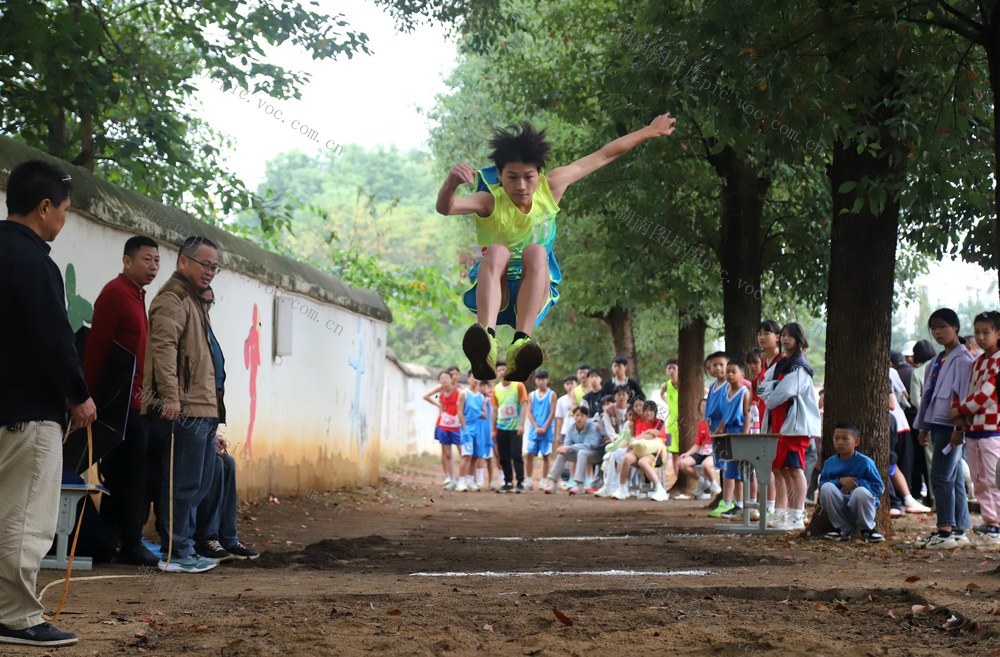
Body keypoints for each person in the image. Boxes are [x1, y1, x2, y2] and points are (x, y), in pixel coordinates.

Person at [437, 114, 677, 382]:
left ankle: (521, 343)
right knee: (497, 251)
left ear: (539, 173)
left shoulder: (551, 187)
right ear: (500, 175)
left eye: (528, 177)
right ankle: (486, 343)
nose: (521, 186)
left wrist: (649, 131)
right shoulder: (489, 200)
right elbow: (447, 208)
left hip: (534, 291)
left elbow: (603, 156)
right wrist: (450, 185)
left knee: (536, 251)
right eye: (512, 177)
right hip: (496, 291)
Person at [0, 160, 97, 647]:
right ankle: (16, 617)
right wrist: (78, 395)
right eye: (64, 210)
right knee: (23, 519)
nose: (64, 219)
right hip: (27, 413)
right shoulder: (35, 262)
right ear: (43, 208)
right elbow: (53, 339)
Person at [82, 236, 161, 568]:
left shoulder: (138, 296)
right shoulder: (115, 293)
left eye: (157, 260)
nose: (154, 266)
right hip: (118, 405)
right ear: (127, 261)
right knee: (129, 476)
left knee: (133, 474)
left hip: (138, 403)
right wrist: (87, 396)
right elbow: (96, 348)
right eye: (147, 259)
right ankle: (129, 542)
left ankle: (116, 540)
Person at [144, 236, 222, 573]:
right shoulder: (173, 298)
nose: (210, 272)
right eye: (205, 265)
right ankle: (175, 551)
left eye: (215, 267)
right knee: (182, 482)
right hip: (185, 408)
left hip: (204, 408)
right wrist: (171, 397)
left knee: (199, 484)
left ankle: (186, 546)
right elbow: (163, 348)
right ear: (183, 262)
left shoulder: (196, 300)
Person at [915, 308, 975, 549]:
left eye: (943, 326)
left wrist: (958, 428)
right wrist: (922, 427)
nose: (938, 332)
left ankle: (945, 531)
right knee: (954, 477)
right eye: (934, 328)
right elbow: (927, 396)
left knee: (941, 475)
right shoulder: (938, 360)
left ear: (955, 328)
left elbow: (962, 396)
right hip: (937, 424)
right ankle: (958, 529)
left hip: (950, 426)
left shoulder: (962, 359)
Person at [758, 323, 822, 531]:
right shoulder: (781, 364)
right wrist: (772, 390)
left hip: (793, 425)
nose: (785, 339)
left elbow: (784, 392)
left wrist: (772, 391)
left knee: (794, 469)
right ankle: (782, 512)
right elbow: (762, 386)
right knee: (779, 469)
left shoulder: (799, 366)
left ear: (799, 339)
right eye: (783, 335)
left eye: (790, 336)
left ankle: (797, 514)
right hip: (778, 424)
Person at [950, 310, 1000, 545]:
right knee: (979, 479)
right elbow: (967, 389)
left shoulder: (999, 361)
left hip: (992, 428)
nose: (980, 337)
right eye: (977, 332)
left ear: (998, 334)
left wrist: (960, 411)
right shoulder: (978, 360)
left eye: (985, 332)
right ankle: (990, 521)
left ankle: (997, 523)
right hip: (972, 429)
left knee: (993, 477)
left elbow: (987, 395)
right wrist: (960, 415)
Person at [819, 422, 886, 543]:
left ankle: (867, 529)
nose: (840, 442)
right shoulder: (829, 463)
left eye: (845, 439)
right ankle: (841, 529)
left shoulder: (865, 462)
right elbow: (822, 484)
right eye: (836, 438)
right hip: (840, 504)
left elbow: (879, 487)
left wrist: (855, 485)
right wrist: (839, 482)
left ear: (856, 442)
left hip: (860, 505)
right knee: (827, 488)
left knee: (860, 492)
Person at [712, 359, 752, 520]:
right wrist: (718, 430)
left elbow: (747, 414)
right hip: (728, 434)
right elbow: (724, 415)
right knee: (730, 471)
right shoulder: (727, 392)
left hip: (738, 434)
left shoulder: (744, 392)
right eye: (728, 371)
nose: (729, 374)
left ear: (742, 374)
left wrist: (744, 434)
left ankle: (742, 504)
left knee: (741, 472)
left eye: (733, 371)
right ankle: (737, 503)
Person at [612, 401, 670, 502]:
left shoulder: (660, 422)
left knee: (642, 462)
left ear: (655, 412)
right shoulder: (638, 422)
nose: (648, 412)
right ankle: (622, 488)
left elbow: (653, 435)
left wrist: (645, 433)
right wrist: (641, 436)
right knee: (627, 458)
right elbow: (638, 439)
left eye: (651, 410)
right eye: (646, 410)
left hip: (656, 453)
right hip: (639, 451)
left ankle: (660, 489)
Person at [544, 404, 605, 495]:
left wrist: (570, 447)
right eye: (577, 415)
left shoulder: (592, 426)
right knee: (563, 453)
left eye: (582, 415)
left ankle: (579, 485)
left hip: (596, 454)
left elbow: (590, 445)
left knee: (582, 452)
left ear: (587, 417)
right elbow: (567, 443)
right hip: (580, 453)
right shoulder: (571, 427)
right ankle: (554, 483)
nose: (579, 418)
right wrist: (564, 448)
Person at [424, 371, 462, 490]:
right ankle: (451, 478)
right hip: (443, 425)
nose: (444, 380)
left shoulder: (459, 392)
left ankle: (465, 478)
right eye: (441, 378)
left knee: (463, 452)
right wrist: (438, 406)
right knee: (447, 453)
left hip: (457, 426)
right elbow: (426, 396)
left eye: (446, 378)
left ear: (452, 379)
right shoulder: (440, 394)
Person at [674, 399, 719, 500]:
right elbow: (697, 444)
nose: (704, 409)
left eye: (706, 406)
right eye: (701, 407)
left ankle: (714, 485)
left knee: (706, 465)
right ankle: (701, 481)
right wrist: (687, 453)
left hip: (713, 452)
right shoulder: (701, 425)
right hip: (701, 452)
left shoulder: (716, 422)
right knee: (681, 463)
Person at [492, 375, 529, 493]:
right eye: (500, 370)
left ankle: (520, 482)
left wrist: (522, 425)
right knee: (503, 456)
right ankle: (507, 482)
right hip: (501, 427)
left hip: (515, 427)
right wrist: (493, 429)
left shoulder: (518, 385)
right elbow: (494, 410)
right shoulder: (496, 389)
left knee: (516, 454)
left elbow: (524, 405)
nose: (503, 372)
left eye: (505, 369)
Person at [456, 372, 488, 492]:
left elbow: (485, 414)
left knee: (476, 455)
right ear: (469, 378)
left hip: (479, 428)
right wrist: (464, 427)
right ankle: (461, 481)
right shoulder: (463, 393)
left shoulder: (481, 397)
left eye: (478, 378)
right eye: (473, 377)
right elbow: (459, 411)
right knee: (466, 455)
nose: (475, 380)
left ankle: (470, 480)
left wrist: (481, 413)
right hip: (468, 428)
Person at [524, 370, 556, 491]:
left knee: (546, 456)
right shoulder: (532, 395)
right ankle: (529, 480)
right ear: (536, 380)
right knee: (529, 454)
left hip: (547, 431)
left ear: (547, 380)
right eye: (539, 379)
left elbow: (552, 412)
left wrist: (544, 427)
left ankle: (543, 480)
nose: (541, 381)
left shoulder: (552, 394)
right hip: (534, 430)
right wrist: (536, 427)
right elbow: (529, 412)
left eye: (543, 379)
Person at [554, 374, 577, 441]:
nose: (569, 386)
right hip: (565, 430)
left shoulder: (580, 397)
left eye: (572, 383)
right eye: (567, 384)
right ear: (564, 385)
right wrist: (558, 434)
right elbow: (559, 418)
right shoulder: (561, 400)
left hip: (578, 430)